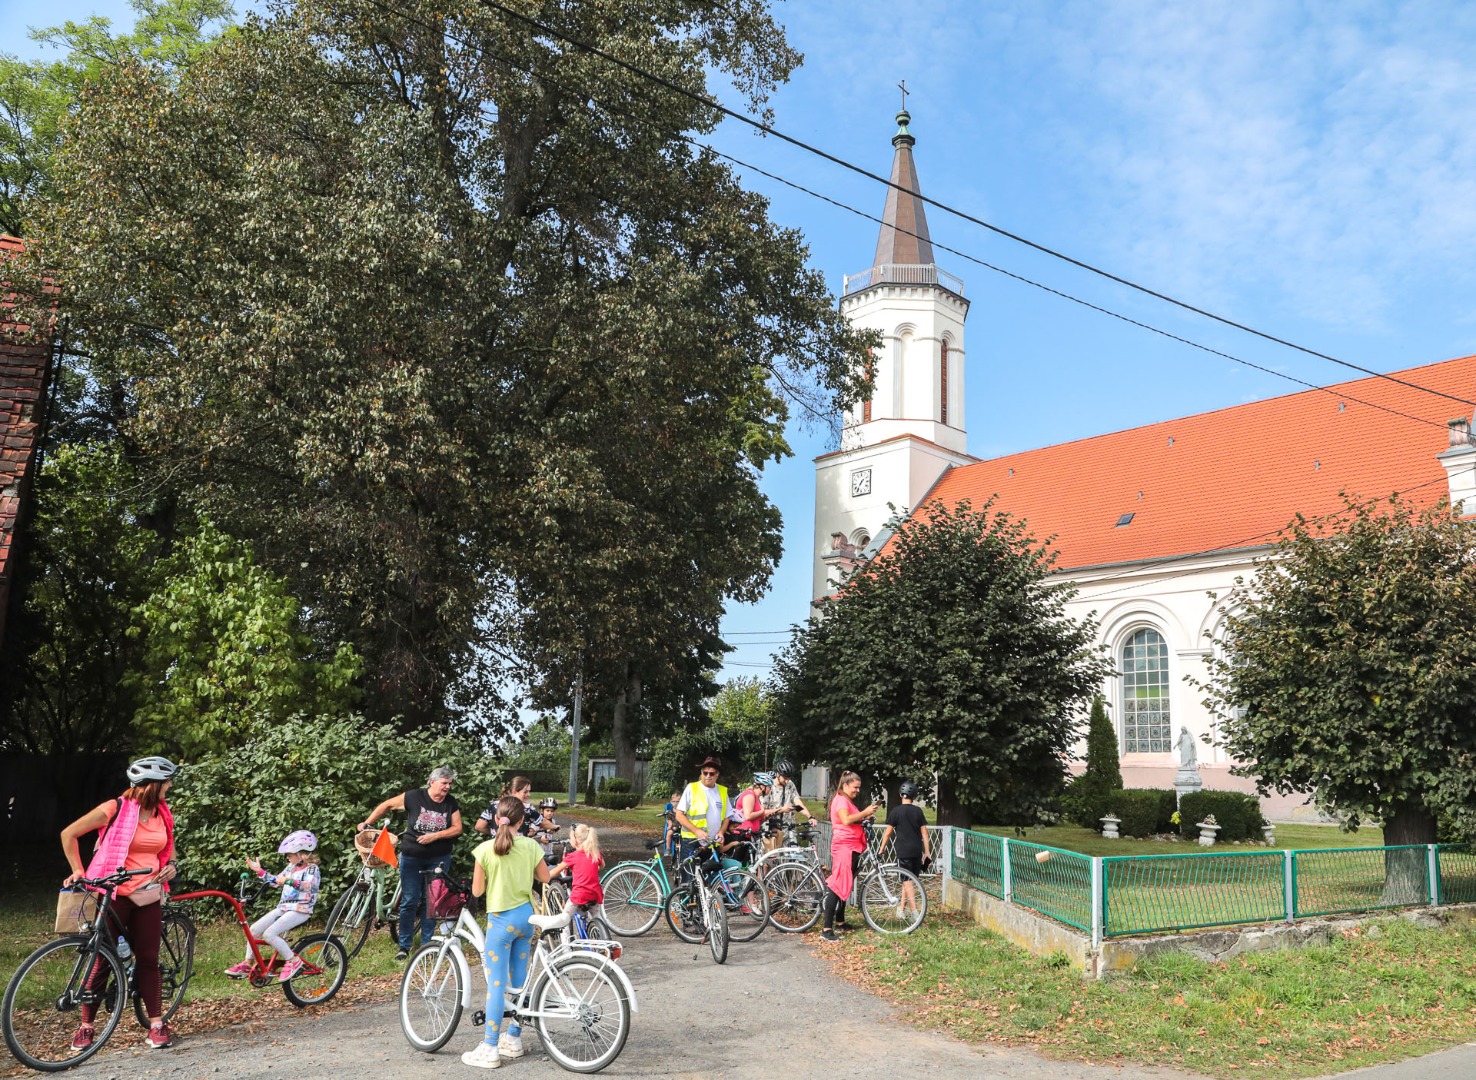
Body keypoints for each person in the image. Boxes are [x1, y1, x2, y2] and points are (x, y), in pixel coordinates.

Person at [59, 756, 181, 1051]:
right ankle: (86, 1027)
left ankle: (156, 1025)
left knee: (149, 959)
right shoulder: (114, 809)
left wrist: (172, 865)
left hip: (149, 892)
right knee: (102, 958)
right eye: (167, 782)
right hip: (113, 893)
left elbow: (169, 849)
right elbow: (69, 834)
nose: (170, 786)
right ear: (153, 785)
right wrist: (78, 869)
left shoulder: (162, 814)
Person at [462, 796, 551, 1070]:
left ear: (495, 818)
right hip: (527, 919)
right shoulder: (531, 846)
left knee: (496, 985)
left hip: (500, 922)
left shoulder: (485, 849)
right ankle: (513, 1038)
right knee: (520, 980)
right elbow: (545, 878)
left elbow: (477, 891)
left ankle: (490, 1046)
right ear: (522, 821)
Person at [359, 765, 463, 961]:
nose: (447, 787)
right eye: (444, 783)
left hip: (438, 857)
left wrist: (435, 836)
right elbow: (386, 805)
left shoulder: (450, 803)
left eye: (449, 784)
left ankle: (427, 946)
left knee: (431, 902)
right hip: (412, 857)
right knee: (409, 901)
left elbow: (457, 828)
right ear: (432, 782)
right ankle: (404, 946)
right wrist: (367, 822)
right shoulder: (414, 796)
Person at [227, 831, 321, 982]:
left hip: (300, 909)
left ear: (303, 854)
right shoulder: (290, 867)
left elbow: (309, 886)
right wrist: (260, 871)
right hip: (284, 908)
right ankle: (248, 964)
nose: (287, 857)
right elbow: (275, 881)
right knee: (253, 931)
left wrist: (289, 882)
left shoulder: (312, 869)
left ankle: (294, 961)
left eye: (290, 854)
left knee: (269, 934)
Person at [820, 771, 878, 942]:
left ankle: (840, 920)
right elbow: (845, 820)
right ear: (845, 785)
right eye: (855, 787)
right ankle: (826, 929)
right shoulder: (841, 800)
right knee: (837, 885)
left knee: (846, 882)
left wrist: (865, 817)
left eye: (859, 788)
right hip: (844, 847)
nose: (857, 790)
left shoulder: (846, 801)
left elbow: (852, 819)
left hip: (851, 845)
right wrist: (865, 811)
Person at [673, 756, 731, 879]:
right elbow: (679, 814)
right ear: (701, 773)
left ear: (717, 775)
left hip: (712, 843)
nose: (708, 776)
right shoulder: (692, 788)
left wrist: (721, 832)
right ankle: (689, 899)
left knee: (709, 881)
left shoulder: (722, 791)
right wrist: (696, 831)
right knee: (689, 881)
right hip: (692, 842)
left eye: (711, 773)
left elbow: (727, 817)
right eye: (705, 773)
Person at [878, 781, 930, 916]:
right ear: (914, 796)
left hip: (903, 851)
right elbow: (924, 832)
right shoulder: (918, 811)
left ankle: (914, 912)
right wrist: (927, 851)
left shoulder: (896, 811)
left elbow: (888, 832)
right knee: (908, 881)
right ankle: (901, 910)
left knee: (907, 881)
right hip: (917, 850)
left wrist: (881, 849)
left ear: (901, 795)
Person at [549, 822, 605, 930]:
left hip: (579, 895)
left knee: (564, 920)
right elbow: (602, 865)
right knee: (597, 917)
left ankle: (566, 946)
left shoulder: (573, 856)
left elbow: (556, 871)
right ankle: (603, 935)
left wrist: (544, 876)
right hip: (595, 893)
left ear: (575, 840)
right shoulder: (595, 853)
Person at [762, 760, 815, 853]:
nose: (787, 781)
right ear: (778, 774)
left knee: (793, 854)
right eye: (785, 778)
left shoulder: (790, 785)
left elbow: (797, 804)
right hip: (771, 828)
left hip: (788, 828)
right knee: (770, 858)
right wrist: (781, 810)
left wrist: (809, 816)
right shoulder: (769, 787)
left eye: (789, 778)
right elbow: (763, 811)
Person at [476, 776, 548, 839]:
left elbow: (479, 826)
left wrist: (495, 832)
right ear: (514, 791)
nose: (528, 794)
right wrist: (555, 827)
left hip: (497, 847)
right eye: (525, 792)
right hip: (520, 849)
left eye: (529, 791)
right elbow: (543, 822)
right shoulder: (527, 808)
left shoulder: (494, 806)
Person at [726, 772, 773, 866]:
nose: (770, 790)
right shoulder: (750, 795)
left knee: (748, 866)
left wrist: (765, 818)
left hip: (751, 835)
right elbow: (748, 816)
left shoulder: (756, 797)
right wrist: (762, 811)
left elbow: (755, 821)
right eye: (769, 787)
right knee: (737, 865)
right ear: (763, 787)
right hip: (742, 835)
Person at [661, 790, 681, 858]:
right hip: (674, 827)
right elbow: (669, 819)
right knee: (669, 833)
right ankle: (668, 848)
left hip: (682, 827)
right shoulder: (670, 811)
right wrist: (670, 825)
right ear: (671, 802)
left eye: (677, 801)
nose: (675, 803)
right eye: (674, 801)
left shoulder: (682, 811)